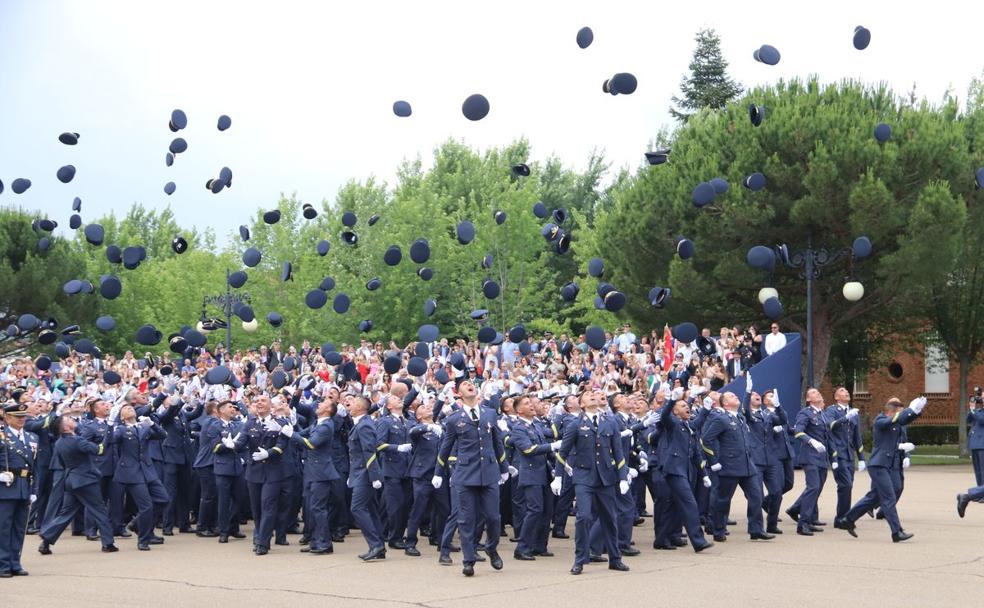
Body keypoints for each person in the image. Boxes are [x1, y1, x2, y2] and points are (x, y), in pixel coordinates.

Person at [433, 379, 508, 577]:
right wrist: (438, 472)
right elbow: (445, 447)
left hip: (489, 472)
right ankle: (468, 560)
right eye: (464, 384)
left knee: (493, 517)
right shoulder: (453, 419)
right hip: (465, 474)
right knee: (466, 519)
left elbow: (497, 442)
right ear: (459, 394)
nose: (469, 384)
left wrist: (504, 468)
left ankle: (491, 548)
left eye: (471, 382)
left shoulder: (489, 413)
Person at [553, 389, 630, 575]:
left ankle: (615, 558)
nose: (593, 395)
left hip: (606, 478)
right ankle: (580, 559)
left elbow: (618, 452)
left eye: (594, 393)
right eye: (587, 395)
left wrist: (622, 476)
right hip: (583, 477)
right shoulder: (575, 424)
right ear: (581, 404)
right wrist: (558, 477)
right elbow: (563, 452)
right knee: (584, 517)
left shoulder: (610, 422)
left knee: (609, 519)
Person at [836, 396, 926, 541]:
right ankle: (896, 532)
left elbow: (904, 420)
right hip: (878, 465)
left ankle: (848, 519)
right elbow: (894, 420)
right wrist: (910, 409)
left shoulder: (895, 421)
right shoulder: (880, 420)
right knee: (889, 498)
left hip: (887, 465)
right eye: (899, 412)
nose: (900, 416)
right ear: (891, 412)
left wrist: (916, 411)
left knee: (875, 497)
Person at [700, 382, 773, 542]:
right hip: (729, 465)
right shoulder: (721, 418)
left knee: (756, 496)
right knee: (724, 500)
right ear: (725, 404)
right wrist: (713, 461)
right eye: (731, 396)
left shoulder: (740, 417)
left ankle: (756, 529)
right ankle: (718, 529)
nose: (735, 396)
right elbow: (705, 439)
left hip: (747, 465)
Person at [37, 415, 118, 554]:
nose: (72, 420)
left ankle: (46, 540)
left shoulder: (59, 443)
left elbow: (62, 463)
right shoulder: (77, 441)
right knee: (99, 510)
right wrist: (109, 427)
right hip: (86, 480)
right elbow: (100, 449)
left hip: (71, 480)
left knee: (66, 513)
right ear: (65, 428)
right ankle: (108, 543)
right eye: (68, 420)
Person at [279, 392, 339, 555]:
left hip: (321, 473)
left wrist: (290, 433)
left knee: (318, 509)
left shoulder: (326, 425)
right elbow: (301, 433)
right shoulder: (317, 423)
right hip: (312, 472)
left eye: (323, 403)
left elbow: (311, 444)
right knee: (311, 509)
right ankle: (315, 540)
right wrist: (288, 424)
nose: (318, 404)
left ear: (329, 410)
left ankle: (325, 543)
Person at [111, 404, 170, 551]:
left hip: (147, 470)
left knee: (164, 499)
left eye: (131, 408)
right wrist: (111, 424)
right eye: (125, 409)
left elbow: (163, 435)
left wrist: (152, 424)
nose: (129, 409)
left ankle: (137, 524)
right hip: (131, 472)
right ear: (122, 417)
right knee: (146, 506)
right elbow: (112, 439)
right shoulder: (121, 429)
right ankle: (144, 539)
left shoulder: (143, 426)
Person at [509, 395, 561, 560]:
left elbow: (547, 452)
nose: (531, 405)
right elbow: (528, 450)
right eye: (527, 403)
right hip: (530, 474)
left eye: (531, 402)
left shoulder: (536, 426)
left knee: (547, 511)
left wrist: (559, 465)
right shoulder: (518, 428)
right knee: (534, 510)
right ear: (519, 410)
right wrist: (552, 446)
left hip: (544, 473)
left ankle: (539, 545)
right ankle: (522, 547)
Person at [0, 401, 37, 577]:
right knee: (3, 527)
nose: (21, 419)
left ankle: (15, 562)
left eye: (23, 416)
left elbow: (35, 466)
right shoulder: (2, 436)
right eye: (17, 417)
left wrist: (34, 490)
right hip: (5, 487)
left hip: (24, 485)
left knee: (19, 527)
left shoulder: (31, 438)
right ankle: (3, 564)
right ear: (7, 418)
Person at [348, 395, 387, 561]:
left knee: (357, 508)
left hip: (365, 474)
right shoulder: (360, 423)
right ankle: (379, 546)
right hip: (360, 473)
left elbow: (369, 451)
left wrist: (374, 476)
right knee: (370, 510)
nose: (349, 405)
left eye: (353, 403)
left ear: (360, 407)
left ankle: (375, 544)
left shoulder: (364, 425)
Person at [789, 388, 831, 536]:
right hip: (810, 455)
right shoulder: (805, 413)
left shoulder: (822, 414)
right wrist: (811, 441)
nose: (817, 393)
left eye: (818, 392)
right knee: (813, 487)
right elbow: (798, 431)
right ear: (808, 399)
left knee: (817, 489)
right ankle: (803, 524)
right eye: (813, 393)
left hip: (822, 457)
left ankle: (809, 518)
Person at [825, 387, 865, 522]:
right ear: (836, 397)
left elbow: (857, 437)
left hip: (849, 454)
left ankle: (844, 516)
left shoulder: (853, 412)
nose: (846, 392)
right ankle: (841, 518)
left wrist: (861, 458)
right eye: (842, 391)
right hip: (838, 453)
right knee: (845, 485)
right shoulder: (832, 410)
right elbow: (831, 425)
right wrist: (845, 418)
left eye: (847, 391)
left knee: (848, 486)